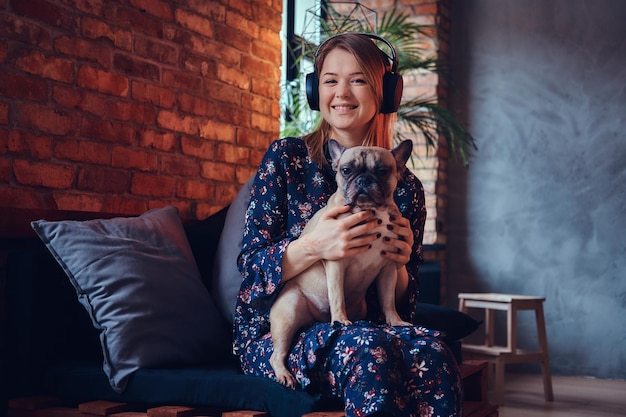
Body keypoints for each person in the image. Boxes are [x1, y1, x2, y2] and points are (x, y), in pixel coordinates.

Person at [233, 32, 463, 416]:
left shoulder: (405, 188)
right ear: (315, 90)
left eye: (357, 79)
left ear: (385, 93)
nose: (342, 92)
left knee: (434, 354)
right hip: (279, 331)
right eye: (329, 80)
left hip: (365, 324)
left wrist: (400, 260)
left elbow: (407, 300)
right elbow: (251, 274)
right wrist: (312, 246)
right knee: (368, 355)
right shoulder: (286, 159)